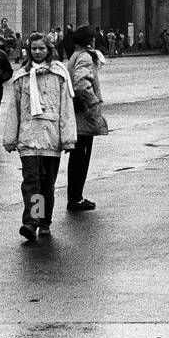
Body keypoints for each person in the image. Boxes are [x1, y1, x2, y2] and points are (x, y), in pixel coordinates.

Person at [0, 32, 76, 242]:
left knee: (47, 184)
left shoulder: (59, 75)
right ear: (28, 51)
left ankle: (45, 221)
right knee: (31, 181)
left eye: (41, 48)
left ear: (49, 50)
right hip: (28, 137)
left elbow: (66, 109)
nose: (38, 52)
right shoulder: (22, 76)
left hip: (51, 138)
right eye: (34, 49)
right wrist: (10, 138)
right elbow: (13, 109)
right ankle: (31, 222)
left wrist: (68, 138)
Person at [67, 25, 109, 212]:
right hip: (83, 115)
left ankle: (75, 196)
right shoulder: (84, 57)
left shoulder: (75, 55)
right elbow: (81, 83)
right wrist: (92, 104)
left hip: (77, 114)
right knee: (81, 159)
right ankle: (75, 198)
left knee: (76, 159)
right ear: (90, 41)